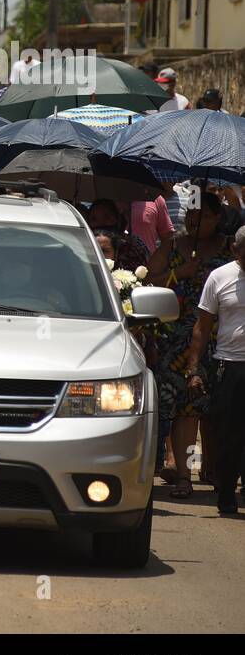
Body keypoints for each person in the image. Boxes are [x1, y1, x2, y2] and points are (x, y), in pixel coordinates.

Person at [148, 192, 234, 499]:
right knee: (185, 408)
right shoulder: (173, 245)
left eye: (202, 215)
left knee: (219, 411)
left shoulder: (230, 248)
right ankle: (184, 473)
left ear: (217, 218)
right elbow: (148, 279)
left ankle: (216, 470)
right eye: (191, 214)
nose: (194, 219)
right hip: (176, 338)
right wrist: (178, 273)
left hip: (222, 337)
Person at [186, 227, 245, 515]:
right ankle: (226, 493)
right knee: (229, 435)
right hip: (230, 366)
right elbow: (202, 326)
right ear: (236, 251)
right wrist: (193, 368)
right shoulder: (219, 277)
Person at [85, 199, 147, 271]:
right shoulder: (82, 244)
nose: (100, 222)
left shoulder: (134, 245)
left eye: (107, 217)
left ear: (117, 219)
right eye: (94, 219)